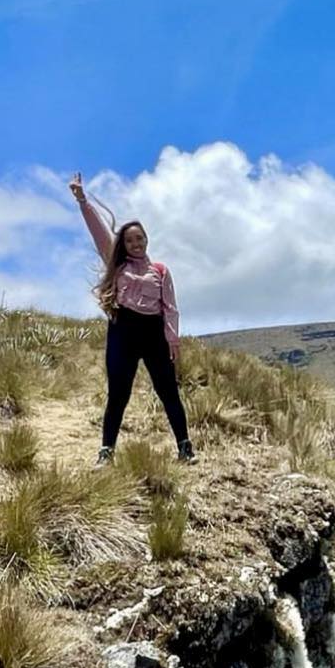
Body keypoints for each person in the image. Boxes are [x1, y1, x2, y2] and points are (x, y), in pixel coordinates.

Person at [69, 172, 196, 466]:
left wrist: (173, 339)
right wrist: (82, 201)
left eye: (139, 238)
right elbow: (100, 233)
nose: (135, 243)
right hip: (122, 331)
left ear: (147, 240)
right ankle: (106, 453)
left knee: (168, 391)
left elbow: (171, 307)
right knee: (118, 393)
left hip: (153, 333)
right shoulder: (118, 264)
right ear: (123, 245)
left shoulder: (161, 270)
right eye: (129, 240)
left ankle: (185, 448)